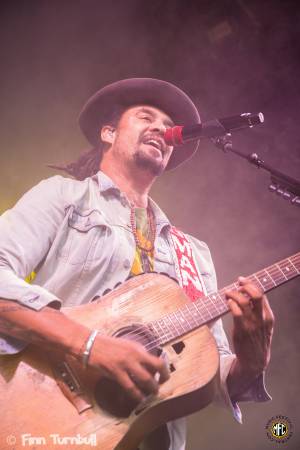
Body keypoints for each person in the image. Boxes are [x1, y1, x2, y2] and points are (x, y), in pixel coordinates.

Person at [0, 78, 274, 450]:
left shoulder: (191, 253)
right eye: (146, 116)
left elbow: (212, 373)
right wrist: (90, 344)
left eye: (167, 123)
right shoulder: (63, 197)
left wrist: (251, 361)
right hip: (47, 413)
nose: (162, 128)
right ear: (108, 133)